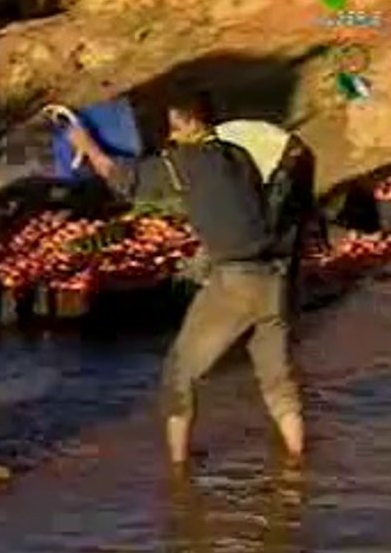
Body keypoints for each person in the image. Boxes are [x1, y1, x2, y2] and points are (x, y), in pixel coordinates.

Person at [64, 86, 304, 466]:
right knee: (276, 378)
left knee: (179, 371)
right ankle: (298, 462)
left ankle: (178, 472)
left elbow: (123, 179)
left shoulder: (184, 162)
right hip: (273, 276)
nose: (170, 133)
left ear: (187, 121)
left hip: (235, 281)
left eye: (173, 124)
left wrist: (86, 144)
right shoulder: (239, 156)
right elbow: (234, 205)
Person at [215, 118, 329, 313]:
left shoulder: (215, 151)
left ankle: (283, 293)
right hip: (296, 152)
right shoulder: (220, 138)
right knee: (297, 215)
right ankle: (300, 277)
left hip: (286, 161)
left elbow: (242, 187)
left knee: (278, 229)